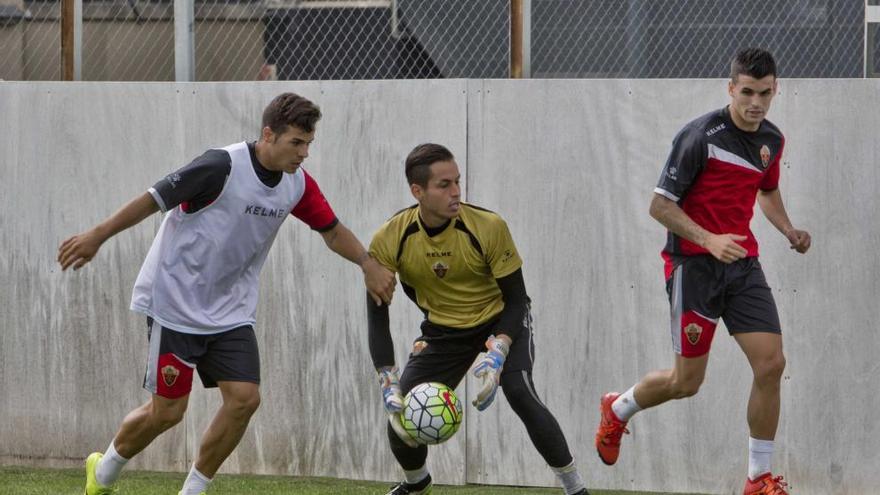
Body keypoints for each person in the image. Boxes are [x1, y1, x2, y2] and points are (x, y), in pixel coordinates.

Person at [57, 92, 396, 495]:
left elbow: (333, 231)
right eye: (296, 143)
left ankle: (192, 491)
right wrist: (97, 235)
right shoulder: (220, 166)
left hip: (232, 311)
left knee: (244, 399)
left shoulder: (297, 185)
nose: (304, 153)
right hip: (175, 305)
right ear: (268, 134)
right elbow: (153, 199)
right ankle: (105, 467)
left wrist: (367, 264)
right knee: (167, 413)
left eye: (309, 144)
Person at [594, 48, 811, 495]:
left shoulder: (772, 138)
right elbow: (659, 205)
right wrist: (709, 239)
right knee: (685, 383)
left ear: (776, 90)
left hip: (742, 266)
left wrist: (788, 229)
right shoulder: (698, 137)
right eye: (747, 92)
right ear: (730, 88)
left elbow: (765, 191)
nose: (755, 102)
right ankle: (618, 409)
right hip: (693, 268)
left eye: (764, 93)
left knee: (771, 364)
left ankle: (757, 478)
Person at [367, 143, 589, 495]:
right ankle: (417, 483)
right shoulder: (390, 238)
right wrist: (386, 377)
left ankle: (575, 488)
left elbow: (517, 300)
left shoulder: (488, 226)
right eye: (444, 185)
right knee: (401, 417)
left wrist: (499, 349)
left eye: (457, 181)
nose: (456, 192)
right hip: (442, 331)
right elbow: (377, 315)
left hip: (499, 320)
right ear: (417, 191)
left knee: (518, 390)